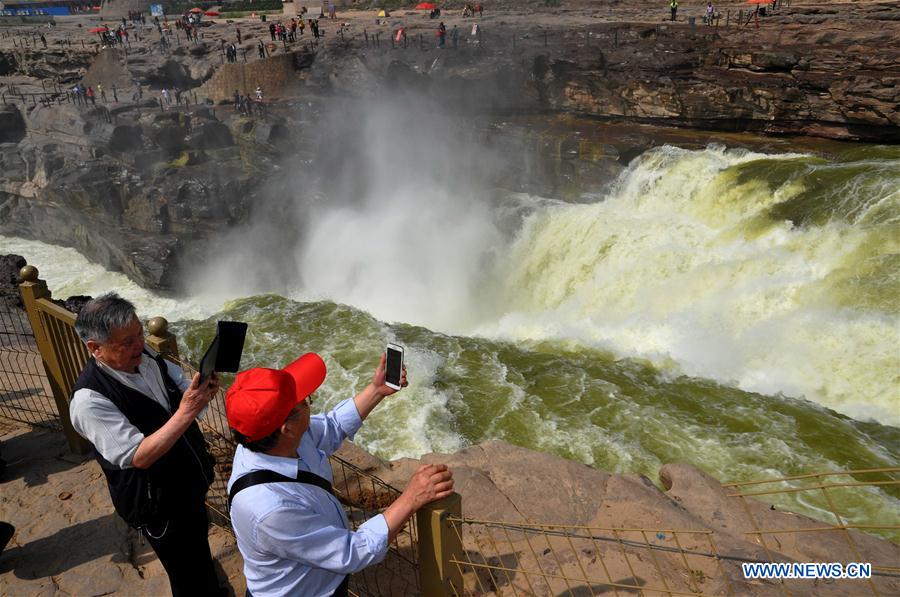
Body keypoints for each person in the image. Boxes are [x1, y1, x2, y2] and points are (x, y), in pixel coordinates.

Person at [227, 352, 454, 596]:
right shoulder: (269, 509)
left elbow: (332, 427)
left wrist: (376, 390)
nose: (308, 402)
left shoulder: (268, 439)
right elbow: (352, 552)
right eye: (304, 400)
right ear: (287, 429)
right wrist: (411, 498)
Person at [69, 293, 222, 596]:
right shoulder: (89, 401)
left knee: (198, 549)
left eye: (139, 333)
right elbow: (138, 455)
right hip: (157, 503)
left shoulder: (145, 356)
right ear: (95, 348)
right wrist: (188, 410)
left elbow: (177, 387)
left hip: (187, 483)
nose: (139, 344)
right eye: (126, 342)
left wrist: (199, 392)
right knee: (184, 571)